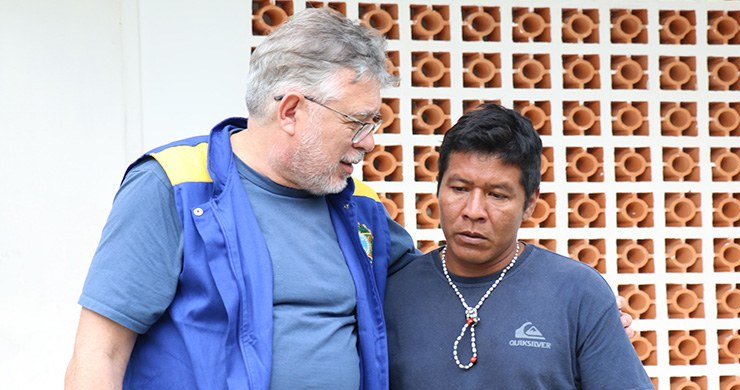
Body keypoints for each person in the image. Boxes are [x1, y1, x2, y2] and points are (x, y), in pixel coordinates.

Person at [65, 8, 419, 389]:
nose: (369, 142)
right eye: (356, 122)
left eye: (374, 124)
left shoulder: (359, 204)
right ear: (291, 111)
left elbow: (434, 286)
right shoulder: (174, 183)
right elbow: (100, 353)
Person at [384, 104, 653, 389]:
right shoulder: (391, 293)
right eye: (459, 189)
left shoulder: (578, 294)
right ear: (438, 189)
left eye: (497, 195)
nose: (473, 210)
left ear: (529, 203)